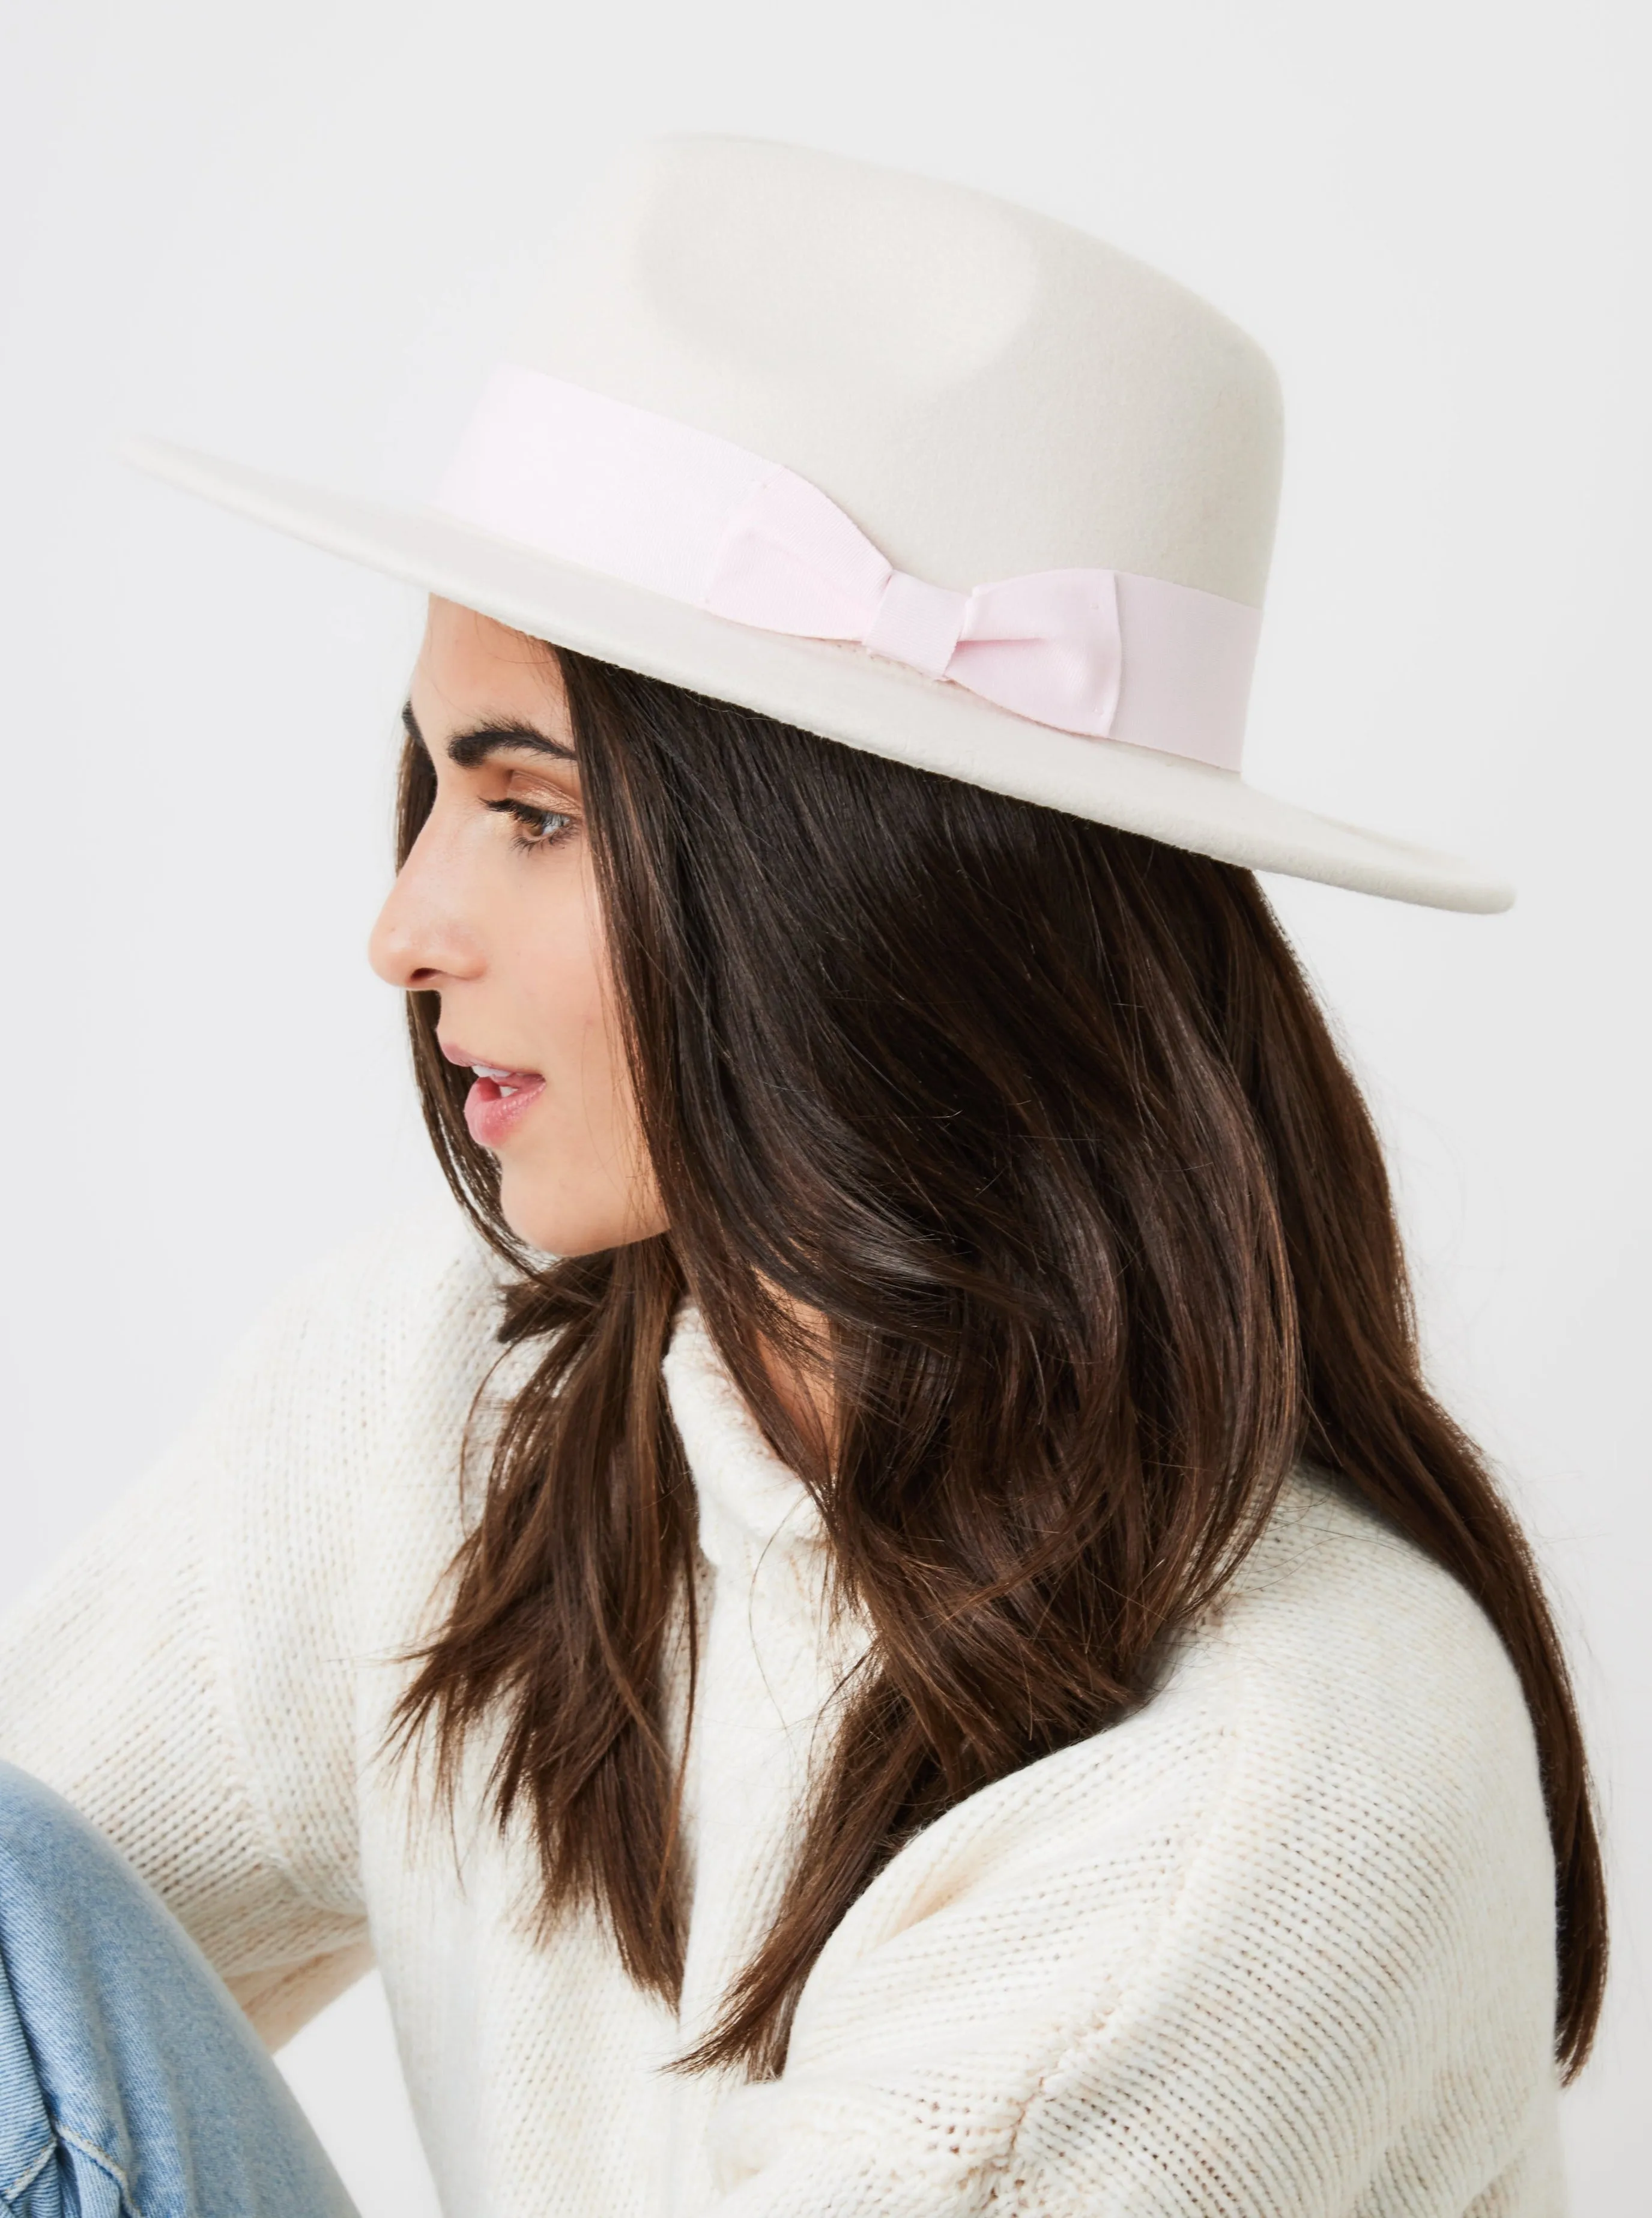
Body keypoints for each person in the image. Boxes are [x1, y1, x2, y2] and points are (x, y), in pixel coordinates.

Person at [0, 136, 1603, 2218]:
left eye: (533, 814)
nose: (403, 928)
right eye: (433, 787)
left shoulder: (1276, 1791)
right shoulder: (432, 1407)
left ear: (841, 891)